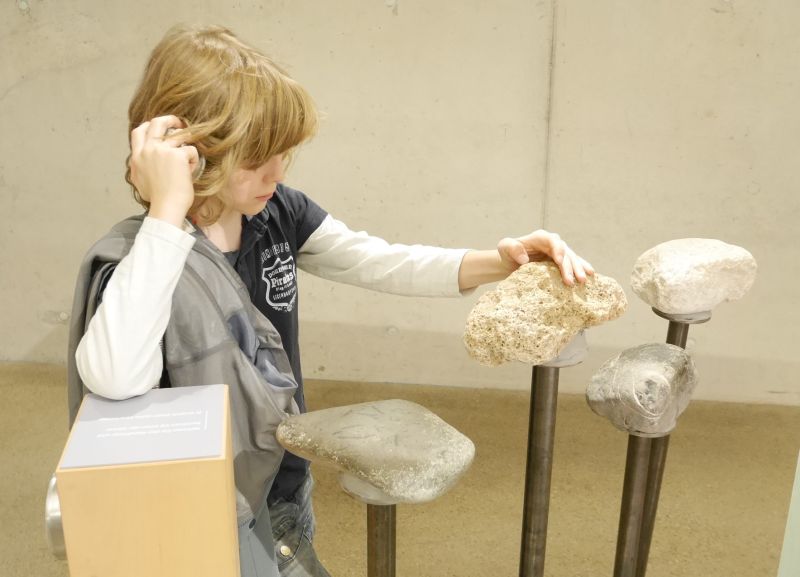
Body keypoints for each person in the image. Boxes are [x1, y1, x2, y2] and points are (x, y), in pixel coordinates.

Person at [67, 24, 593, 577]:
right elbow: (114, 374)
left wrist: (499, 260)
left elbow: (377, 259)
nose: (277, 174)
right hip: (197, 510)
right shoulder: (146, 255)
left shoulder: (274, 212)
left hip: (284, 478)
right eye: (256, 159)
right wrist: (167, 209)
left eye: (283, 155)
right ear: (183, 152)